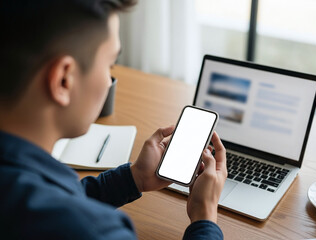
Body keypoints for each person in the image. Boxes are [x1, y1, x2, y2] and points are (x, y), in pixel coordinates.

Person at [0, 0, 227, 239]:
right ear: (64, 80)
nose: (109, 82)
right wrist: (205, 216)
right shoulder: (97, 231)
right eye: (110, 65)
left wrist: (134, 178)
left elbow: (48, 202)